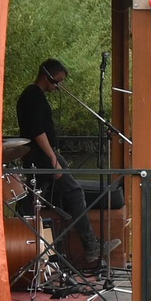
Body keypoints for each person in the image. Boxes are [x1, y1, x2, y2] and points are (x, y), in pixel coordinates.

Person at [15, 60, 116, 278]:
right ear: (46, 76)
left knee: (32, 201)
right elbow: (37, 131)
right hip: (42, 157)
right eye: (57, 81)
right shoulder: (32, 96)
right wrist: (53, 158)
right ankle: (90, 247)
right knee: (73, 192)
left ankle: (24, 244)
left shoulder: (34, 95)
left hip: (41, 156)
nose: (58, 87)